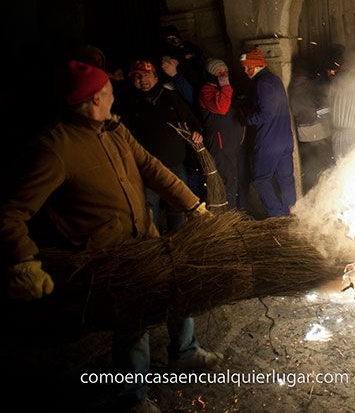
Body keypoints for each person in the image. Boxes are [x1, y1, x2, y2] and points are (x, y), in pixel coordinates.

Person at [1, 60, 220, 412]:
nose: (114, 94)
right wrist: (24, 259)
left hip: (144, 238)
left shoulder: (114, 129)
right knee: (131, 325)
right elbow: (11, 211)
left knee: (178, 288)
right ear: (92, 100)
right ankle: (131, 396)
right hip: (108, 254)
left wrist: (193, 205)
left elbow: (151, 167)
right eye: (108, 91)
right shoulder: (55, 148)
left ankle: (185, 352)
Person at [118, 60, 204, 232]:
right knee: (149, 209)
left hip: (176, 165)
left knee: (178, 206)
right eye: (137, 76)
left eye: (147, 75)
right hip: (146, 169)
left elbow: (191, 120)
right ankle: (155, 245)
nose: (143, 79)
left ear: (156, 77)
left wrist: (196, 131)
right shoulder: (128, 104)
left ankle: (178, 240)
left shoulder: (171, 97)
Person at [240, 47, 296, 217]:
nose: (244, 71)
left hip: (269, 143)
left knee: (260, 179)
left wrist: (246, 119)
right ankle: (292, 213)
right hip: (285, 139)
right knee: (286, 179)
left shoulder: (262, 83)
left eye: (245, 67)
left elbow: (266, 113)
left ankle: (277, 215)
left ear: (254, 66)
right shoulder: (274, 79)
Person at [288, 45, 341, 192]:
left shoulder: (294, 86)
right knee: (323, 166)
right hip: (318, 133)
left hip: (304, 135)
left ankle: (313, 191)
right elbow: (320, 109)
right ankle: (324, 193)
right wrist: (328, 116)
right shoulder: (310, 87)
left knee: (311, 166)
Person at [198, 58, 246, 209]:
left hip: (232, 143)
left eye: (225, 71)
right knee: (227, 180)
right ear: (211, 74)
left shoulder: (223, 88)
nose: (224, 75)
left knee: (236, 178)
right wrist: (226, 86)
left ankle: (239, 211)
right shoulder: (206, 91)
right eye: (219, 72)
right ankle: (229, 216)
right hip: (220, 144)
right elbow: (222, 108)